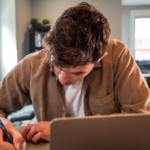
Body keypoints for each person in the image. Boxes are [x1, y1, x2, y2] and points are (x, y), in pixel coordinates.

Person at [0, 2, 150, 150]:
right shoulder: (32, 64)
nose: (63, 79)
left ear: (100, 58)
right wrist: (3, 124)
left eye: (78, 72)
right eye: (57, 67)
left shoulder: (118, 56)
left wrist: (64, 131)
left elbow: (140, 118)